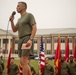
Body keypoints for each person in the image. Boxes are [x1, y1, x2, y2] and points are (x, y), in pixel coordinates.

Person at [9, 1, 37, 75]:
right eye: (17, 6)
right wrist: (12, 21)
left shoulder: (29, 15)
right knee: (22, 61)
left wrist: (30, 40)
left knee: (24, 61)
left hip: (27, 38)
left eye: (18, 6)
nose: (17, 7)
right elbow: (14, 29)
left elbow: (34, 28)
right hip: (20, 40)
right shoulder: (19, 19)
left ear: (23, 7)